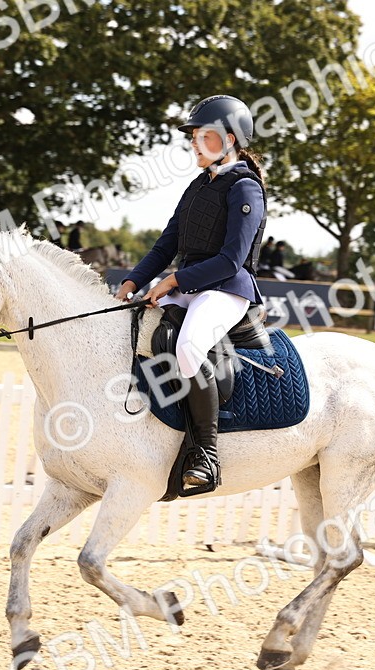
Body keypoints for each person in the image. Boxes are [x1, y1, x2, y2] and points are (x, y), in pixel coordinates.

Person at [114, 95, 267, 489]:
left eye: (204, 136)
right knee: (130, 327)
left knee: (187, 347)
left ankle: (207, 454)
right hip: (191, 285)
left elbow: (231, 260)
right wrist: (132, 282)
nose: (195, 143)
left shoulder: (245, 188)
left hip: (227, 289)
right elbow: (166, 245)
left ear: (230, 140)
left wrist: (173, 282)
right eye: (193, 137)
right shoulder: (198, 186)